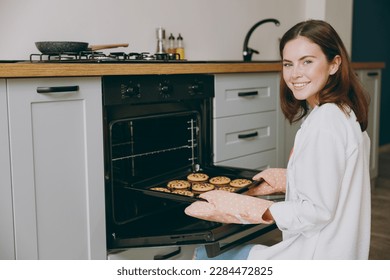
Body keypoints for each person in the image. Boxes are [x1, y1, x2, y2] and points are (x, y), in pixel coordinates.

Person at [185, 19, 371, 260]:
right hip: (342, 254)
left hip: (314, 258)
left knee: (203, 258)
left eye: (307, 61)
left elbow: (316, 212)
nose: (295, 74)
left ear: (334, 64)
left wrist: (253, 209)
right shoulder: (343, 111)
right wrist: (289, 178)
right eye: (288, 64)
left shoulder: (326, 122)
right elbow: (338, 175)